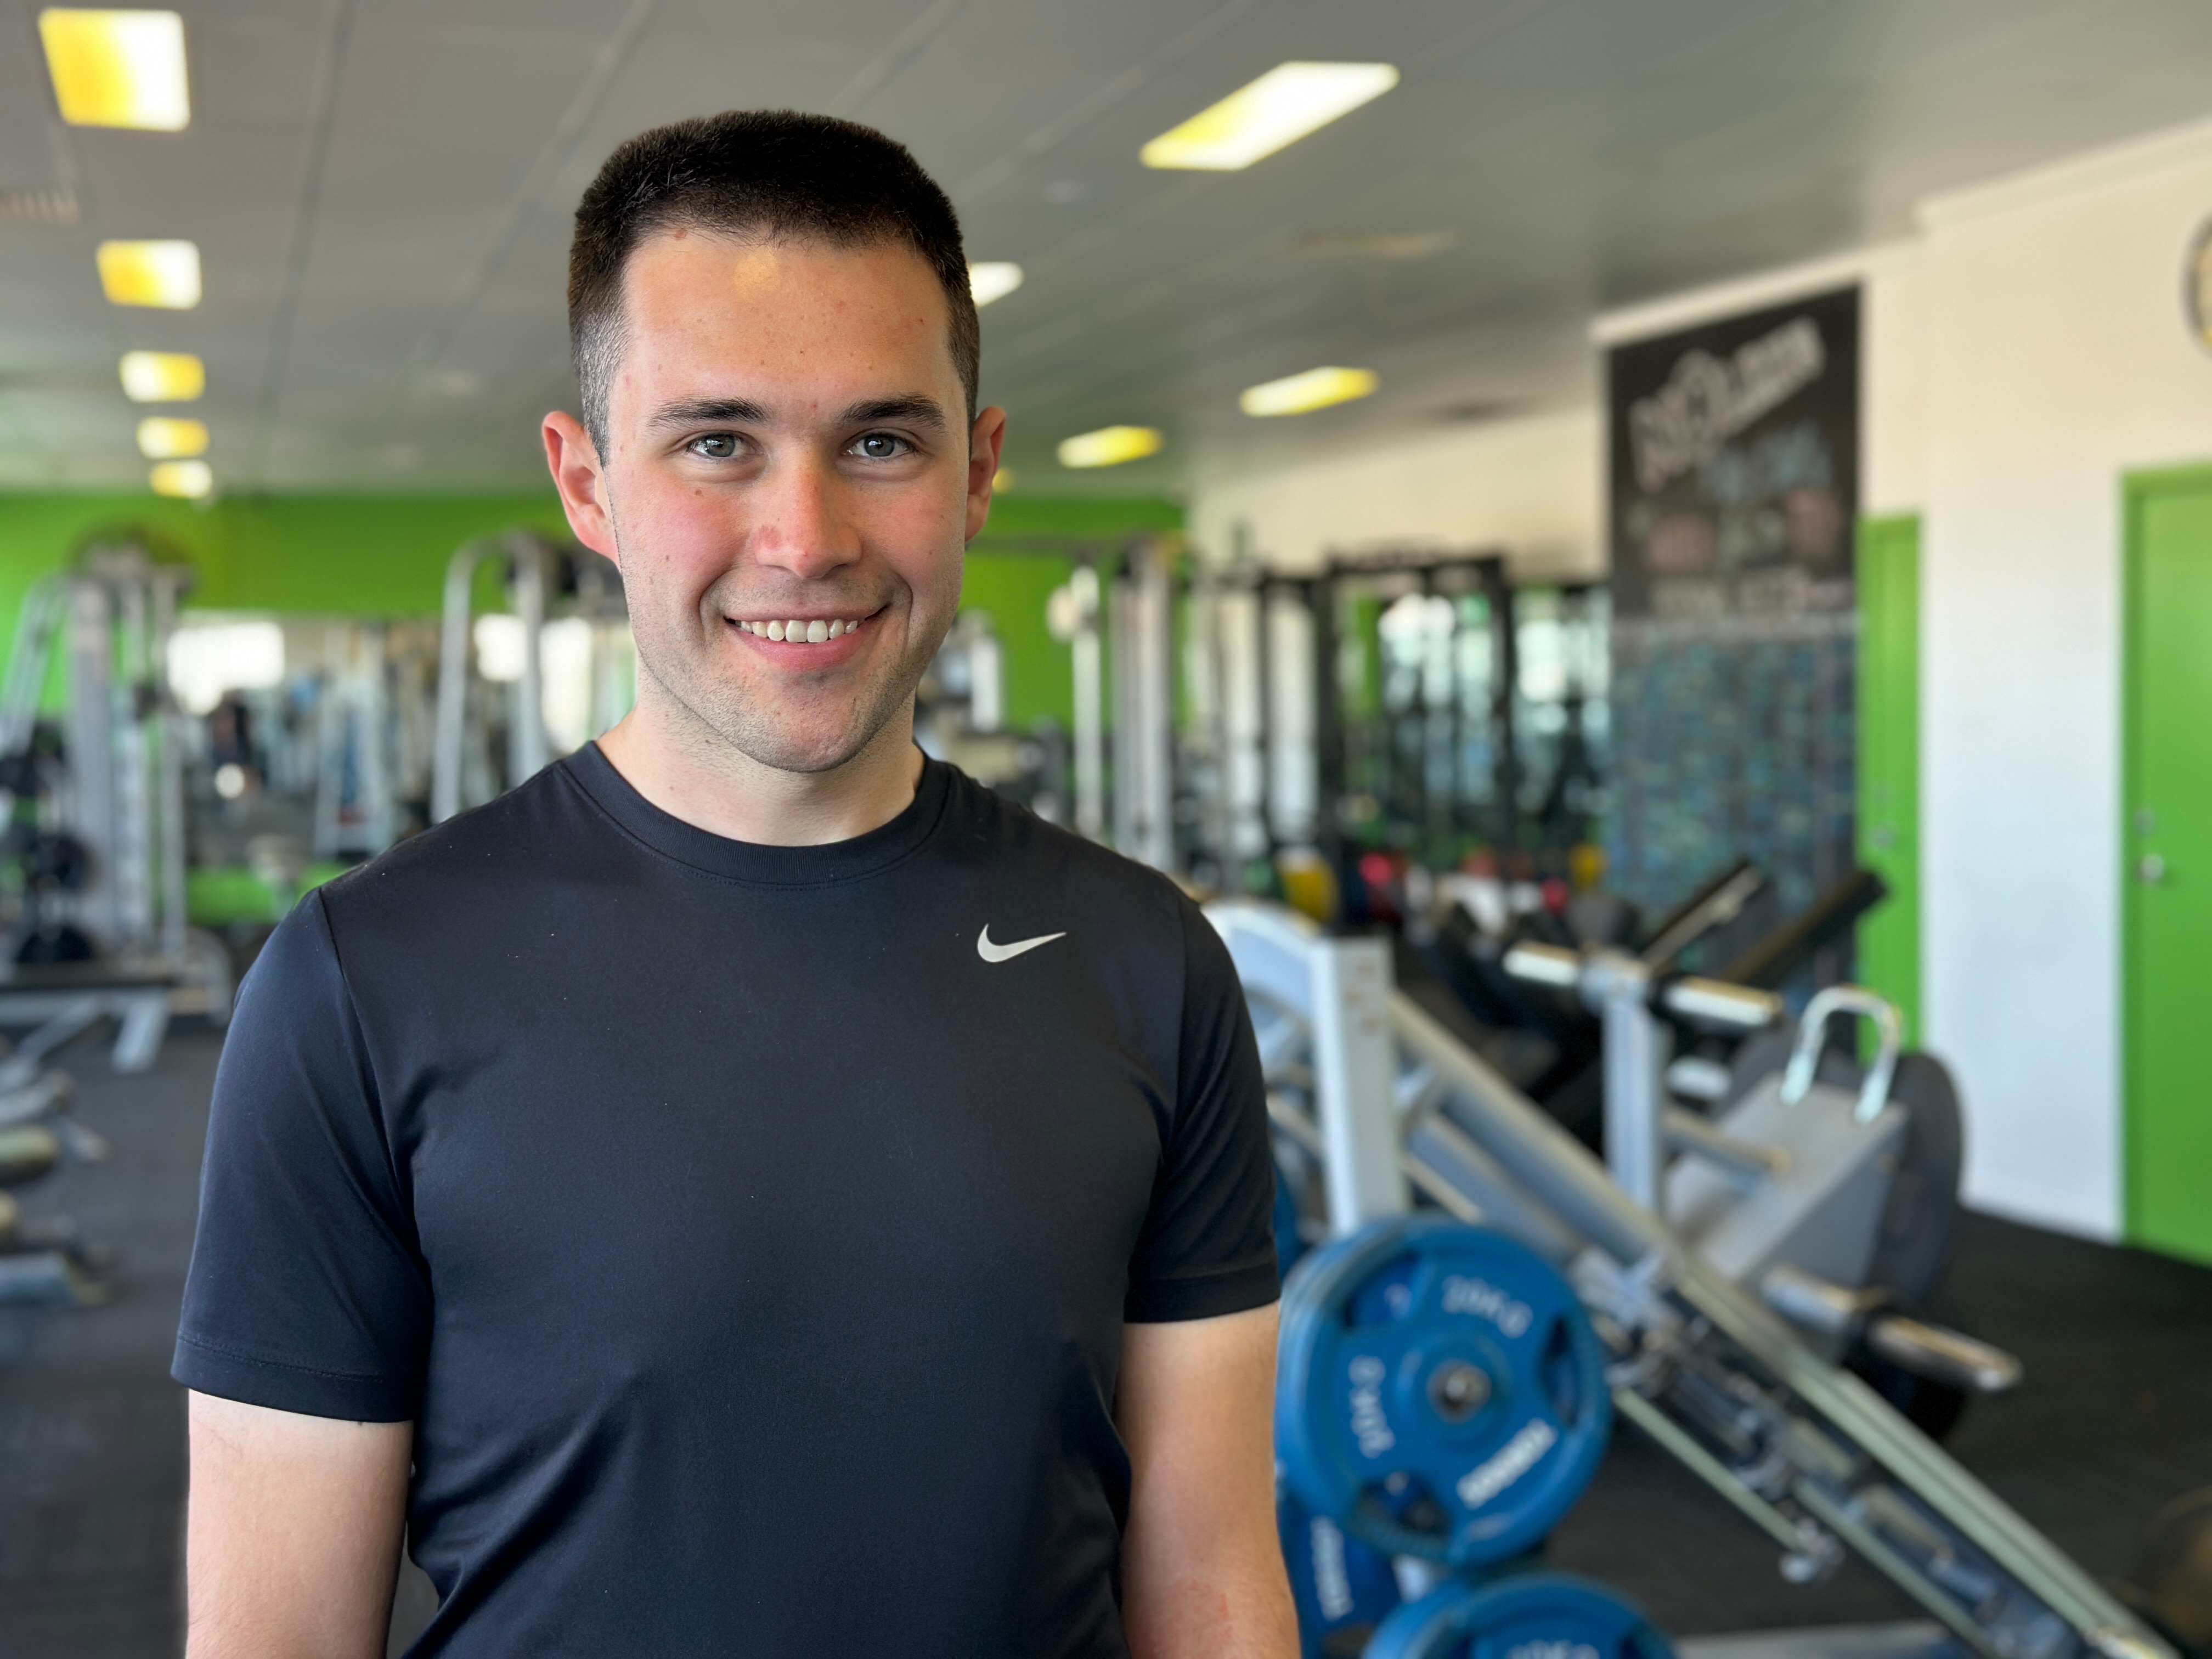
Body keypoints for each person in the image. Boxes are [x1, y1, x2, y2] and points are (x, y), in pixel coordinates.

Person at [173, 110, 1296, 1658]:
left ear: (977, 473)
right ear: (585, 485)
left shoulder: (1146, 964)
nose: (805, 537)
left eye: (881, 442)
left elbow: (1216, 1580)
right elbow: (275, 1639)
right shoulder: (360, 985)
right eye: (717, 443)